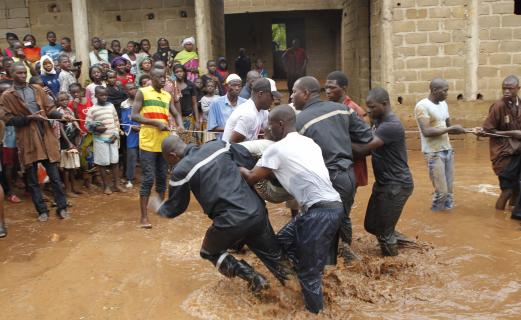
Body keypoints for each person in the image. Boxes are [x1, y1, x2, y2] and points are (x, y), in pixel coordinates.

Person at [240, 105, 343, 313]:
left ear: (280, 124)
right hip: (330, 208)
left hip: (319, 214)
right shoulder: (309, 142)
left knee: (309, 274)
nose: (267, 130)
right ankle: (301, 289)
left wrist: (235, 167)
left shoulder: (276, 149)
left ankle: (316, 313)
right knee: (281, 243)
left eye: (269, 126)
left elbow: (252, 177)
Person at [157, 135, 289, 293]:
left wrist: (159, 208)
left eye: (167, 160)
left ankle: (253, 278)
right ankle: (300, 292)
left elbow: (176, 207)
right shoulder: (219, 145)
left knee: (209, 252)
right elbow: (246, 159)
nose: (169, 165)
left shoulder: (181, 170)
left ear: (172, 155)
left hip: (230, 222)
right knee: (277, 260)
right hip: (256, 211)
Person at [292, 76, 373, 262]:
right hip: (348, 177)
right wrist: (341, 144)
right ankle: (347, 257)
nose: (292, 96)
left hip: (325, 181)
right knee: (342, 217)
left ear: (305, 93)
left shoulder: (299, 122)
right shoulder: (343, 109)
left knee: (322, 225)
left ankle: (331, 268)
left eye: (294, 92)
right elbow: (367, 136)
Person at [0, 62, 73, 221]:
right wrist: (29, 118)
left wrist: (62, 116)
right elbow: (7, 119)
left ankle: (62, 208)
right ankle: (42, 211)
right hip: (27, 139)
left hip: (45, 136)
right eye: (18, 73)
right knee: (32, 179)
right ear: (11, 74)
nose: (22, 75)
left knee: (54, 177)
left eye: (23, 72)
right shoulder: (7, 96)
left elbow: (50, 109)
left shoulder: (37, 89)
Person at [351, 88, 414, 256]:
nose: (368, 111)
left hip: (397, 184)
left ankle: (393, 268)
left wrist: (335, 141)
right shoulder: (378, 121)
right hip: (384, 183)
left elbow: (363, 150)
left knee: (384, 233)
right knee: (371, 225)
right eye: (367, 107)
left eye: (372, 107)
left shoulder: (390, 125)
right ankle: (412, 246)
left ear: (385, 104)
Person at [131, 68, 184, 229]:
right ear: (151, 77)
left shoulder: (167, 95)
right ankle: (143, 218)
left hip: (164, 144)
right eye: (159, 77)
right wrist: (155, 123)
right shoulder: (143, 92)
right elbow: (134, 116)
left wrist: (180, 124)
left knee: (162, 177)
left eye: (165, 77)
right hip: (148, 142)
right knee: (148, 179)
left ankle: (161, 209)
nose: (163, 80)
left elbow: (176, 113)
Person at [414, 78, 466, 211]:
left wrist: (465, 130)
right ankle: (435, 220)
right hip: (433, 153)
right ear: (434, 90)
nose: (447, 93)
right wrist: (451, 129)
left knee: (449, 192)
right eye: (445, 91)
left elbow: (448, 127)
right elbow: (426, 131)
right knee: (441, 192)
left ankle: (445, 222)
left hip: (447, 149)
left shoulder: (444, 104)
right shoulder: (422, 106)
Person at [478, 76, 521, 217]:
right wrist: (513, 133)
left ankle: (512, 214)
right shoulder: (498, 106)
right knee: (507, 191)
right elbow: (486, 131)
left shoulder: (519, 104)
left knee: (517, 189)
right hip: (503, 154)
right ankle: (498, 218)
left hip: (517, 152)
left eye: (510, 88)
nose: (506, 91)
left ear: (518, 89)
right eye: (504, 88)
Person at [325, 71, 368, 188]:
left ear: (343, 88)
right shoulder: (331, 108)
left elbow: (365, 139)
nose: (328, 91)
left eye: (332, 88)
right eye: (326, 88)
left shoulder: (353, 110)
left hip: (350, 164)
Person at [86, 86, 124, 195]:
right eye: (101, 95)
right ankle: (106, 186)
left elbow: (116, 121)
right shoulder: (92, 109)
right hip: (100, 140)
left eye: (106, 95)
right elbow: (87, 125)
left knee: (115, 162)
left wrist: (116, 134)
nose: (104, 97)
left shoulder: (111, 106)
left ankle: (116, 185)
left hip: (112, 138)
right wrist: (96, 128)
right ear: (96, 96)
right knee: (102, 164)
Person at [223, 78, 281, 143]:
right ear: (260, 94)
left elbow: (270, 129)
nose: (273, 100)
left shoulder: (263, 110)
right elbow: (233, 144)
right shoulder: (249, 113)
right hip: (231, 151)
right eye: (271, 96)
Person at [56, 91, 82, 197]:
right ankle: (68, 190)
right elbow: (61, 129)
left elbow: (74, 120)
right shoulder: (58, 112)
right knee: (66, 168)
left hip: (71, 140)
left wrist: (79, 128)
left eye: (66, 99)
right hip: (64, 142)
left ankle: (74, 187)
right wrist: (68, 143)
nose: (65, 101)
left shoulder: (69, 110)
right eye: (62, 100)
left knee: (72, 167)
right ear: (58, 101)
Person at [69, 83, 95, 188]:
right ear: (70, 93)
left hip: (91, 133)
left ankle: (93, 179)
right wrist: (75, 108)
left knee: (92, 156)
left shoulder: (89, 101)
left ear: (82, 91)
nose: (76, 94)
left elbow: (93, 114)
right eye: (73, 92)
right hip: (80, 134)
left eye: (77, 92)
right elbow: (74, 120)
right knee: (84, 157)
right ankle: (86, 181)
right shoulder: (71, 104)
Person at [207, 74, 246, 140]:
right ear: (226, 86)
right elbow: (212, 127)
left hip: (241, 143)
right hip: (222, 143)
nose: (237, 88)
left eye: (239, 86)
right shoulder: (216, 103)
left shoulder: (245, 103)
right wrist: (233, 130)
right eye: (234, 85)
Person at [0, 82, 21, 204]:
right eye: (2, 92)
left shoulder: (16, 104)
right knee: (8, 166)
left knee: (23, 163)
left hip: (19, 137)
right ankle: (10, 192)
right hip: (7, 140)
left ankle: (28, 188)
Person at [173, 64, 201, 144]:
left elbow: (194, 103)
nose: (179, 73)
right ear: (174, 73)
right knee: (177, 143)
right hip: (176, 119)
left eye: (181, 71)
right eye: (177, 72)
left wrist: (197, 121)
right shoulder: (172, 85)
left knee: (191, 143)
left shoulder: (190, 85)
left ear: (184, 72)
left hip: (188, 118)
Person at [120, 82, 140, 188]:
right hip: (131, 133)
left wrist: (142, 126)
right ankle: (129, 178)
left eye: (134, 88)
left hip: (143, 131)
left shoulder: (142, 102)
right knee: (131, 156)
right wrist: (132, 127)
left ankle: (147, 177)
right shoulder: (124, 104)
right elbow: (123, 121)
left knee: (145, 156)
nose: (132, 90)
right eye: (129, 89)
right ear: (126, 91)